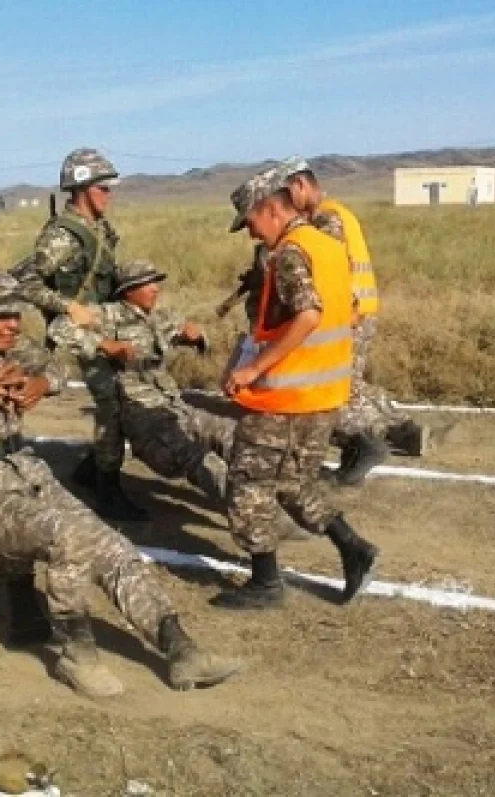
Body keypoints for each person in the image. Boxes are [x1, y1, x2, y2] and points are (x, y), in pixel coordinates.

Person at [0, 270, 244, 699]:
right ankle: (76, 654)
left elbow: (58, 368)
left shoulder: (12, 345)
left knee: (113, 546)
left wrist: (39, 384)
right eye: (1, 315)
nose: (14, 323)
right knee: (68, 539)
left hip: (28, 473)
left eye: (16, 313)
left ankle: (181, 650)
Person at [48, 260, 313, 542]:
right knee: (199, 458)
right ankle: (259, 517)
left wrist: (196, 338)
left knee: (234, 436)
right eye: (148, 284)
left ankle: (278, 497)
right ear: (128, 290)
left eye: (156, 282)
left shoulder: (161, 317)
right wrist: (104, 345)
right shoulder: (107, 315)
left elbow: (192, 334)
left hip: (173, 404)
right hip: (142, 414)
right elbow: (59, 328)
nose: (155, 289)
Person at [215, 166, 378, 610]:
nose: (250, 233)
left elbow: (308, 315)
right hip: (323, 395)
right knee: (291, 483)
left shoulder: (289, 254)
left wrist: (252, 370)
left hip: (285, 398)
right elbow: (344, 314)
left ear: (270, 208)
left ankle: (265, 584)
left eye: (250, 222)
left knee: (247, 482)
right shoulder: (328, 247)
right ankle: (353, 547)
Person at [10, 148, 147, 521]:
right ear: (84, 188)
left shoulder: (96, 228)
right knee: (112, 404)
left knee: (122, 396)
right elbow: (24, 280)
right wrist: (67, 306)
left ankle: (92, 469)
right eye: (104, 188)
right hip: (76, 329)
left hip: (99, 322)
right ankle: (107, 490)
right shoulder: (63, 236)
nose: (110, 195)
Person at [278, 156, 431, 484]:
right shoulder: (338, 211)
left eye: (286, 192)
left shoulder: (325, 220)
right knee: (353, 383)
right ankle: (402, 429)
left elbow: (329, 268)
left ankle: (363, 446)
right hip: (359, 310)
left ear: (301, 185)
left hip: (349, 314)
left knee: (338, 388)